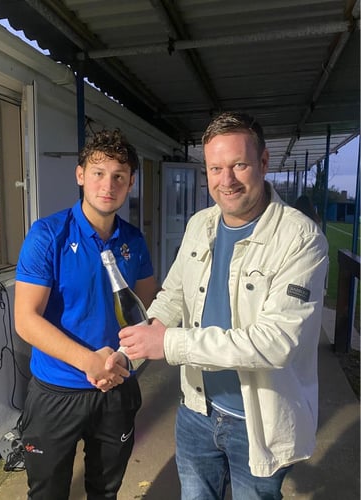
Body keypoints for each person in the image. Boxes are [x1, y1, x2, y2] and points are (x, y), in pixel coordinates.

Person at [118, 111, 329, 499]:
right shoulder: (201, 224)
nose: (226, 180)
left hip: (258, 422)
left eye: (239, 165)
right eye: (216, 168)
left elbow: (274, 342)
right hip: (196, 410)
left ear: (263, 163)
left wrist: (168, 345)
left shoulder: (300, 239)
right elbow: (173, 297)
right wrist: (125, 353)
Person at [14, 129, 159, 498]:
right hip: (57, 392)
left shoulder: (133, 241)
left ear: (130, 184)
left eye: (118, 177)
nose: (107, 185)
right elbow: (26, 319)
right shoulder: (48, 235)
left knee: (105, 492)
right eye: (98, 173)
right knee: (47, 493)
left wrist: (120, 361)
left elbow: (147, 313)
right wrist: (88, 362)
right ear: (80, 175)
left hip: (116, 389)